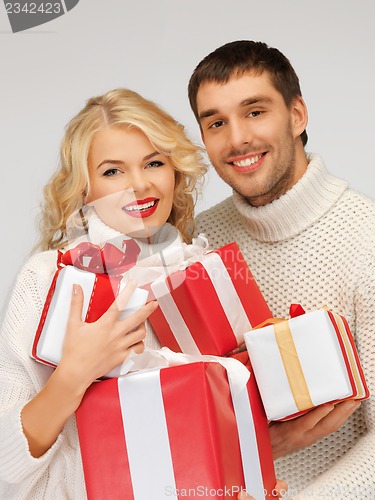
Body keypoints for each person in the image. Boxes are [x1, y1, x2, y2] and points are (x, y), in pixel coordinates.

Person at [0, 88, 286, 499]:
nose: (138, 184)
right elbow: (8, 461)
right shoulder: (48, 278)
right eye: (112, 171)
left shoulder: (198, 276)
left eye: (154, 163)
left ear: (175, 173)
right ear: (85, 188)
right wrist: (76, 373)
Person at [189, 40, 375, 499]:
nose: (236, 140)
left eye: (255, 112)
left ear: (297, 116)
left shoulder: (366, 240)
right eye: (216, 122)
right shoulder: (198, 241)